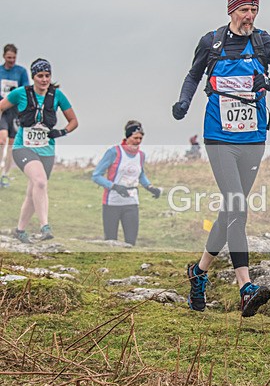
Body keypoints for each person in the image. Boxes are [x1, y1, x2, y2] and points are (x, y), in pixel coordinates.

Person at [172, 0, 270, 316]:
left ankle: (199, 273)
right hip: (219, 137)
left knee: (230, 211)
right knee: (237, 206)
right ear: (231, 10)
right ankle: (245, 286)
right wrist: (183, 102)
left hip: (253, 138)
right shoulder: (212, 42)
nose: (249, 16)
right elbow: (192, 76)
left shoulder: (264, 42)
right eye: (244, 10)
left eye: (254, 10)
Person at [0, 58, 78, 243]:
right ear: (33, 77)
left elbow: (74, 121)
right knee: (41, 182)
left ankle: (19, 230)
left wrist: (61, 132)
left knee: (33, 191)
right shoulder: (20, 93)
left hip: (46, 150)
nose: (44, 80)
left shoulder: (57, 95)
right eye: (40, 76)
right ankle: (45, 226)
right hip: (23, 147)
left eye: (47, 76)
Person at [92, 120, 161, 246]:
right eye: (135, 138)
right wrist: (114, 186)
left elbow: (140, 174)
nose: (138, 141)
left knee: (131, 242)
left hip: (131, 202)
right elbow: (96, 176)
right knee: (110, 241)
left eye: (141, 138)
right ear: (128, 137)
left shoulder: (141, 155)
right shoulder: (114, 152)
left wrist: (150, 187)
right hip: (111, 203)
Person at [0, 44, 30, 188]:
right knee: (2, 140)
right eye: (9, 57)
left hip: (16, 111)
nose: (11, 60)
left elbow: (26, 89)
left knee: (12, 144)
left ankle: (4, 174)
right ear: (4, 56)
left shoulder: (21, 72)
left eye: (13, 57)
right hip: (2, 110)